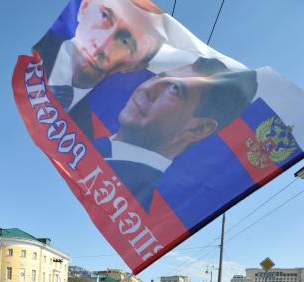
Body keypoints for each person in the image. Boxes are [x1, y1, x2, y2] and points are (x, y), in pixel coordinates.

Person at [93, 63, 257, 209]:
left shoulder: (138, 202)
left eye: (174, 89)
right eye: (158, 77)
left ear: (198, 129)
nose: (147, 88)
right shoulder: (87, 143)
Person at [34, 0, 165, 111]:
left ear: (136, 66)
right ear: (85, 6)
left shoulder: (102, 121)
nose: (101, 44)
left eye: (125, 42)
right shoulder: (36, 47)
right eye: (104, 16)